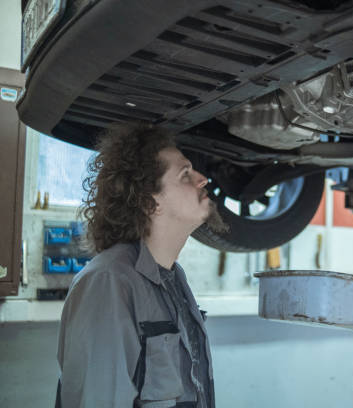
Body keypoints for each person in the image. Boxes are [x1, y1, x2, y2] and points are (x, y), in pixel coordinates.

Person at [56, 124, 228, 407]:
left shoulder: (173, 277)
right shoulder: (108, 282)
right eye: (185, 174)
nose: (203, 179)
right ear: (151, 202)